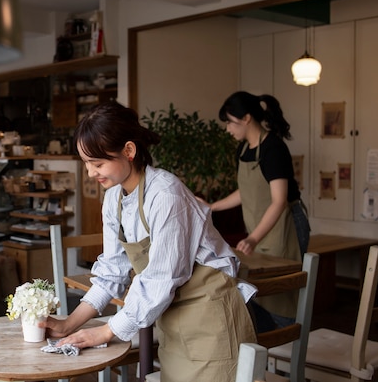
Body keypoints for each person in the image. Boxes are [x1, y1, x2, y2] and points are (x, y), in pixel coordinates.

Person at [41, 101, 257, 382]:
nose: (91, 173)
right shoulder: (113, 200)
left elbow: (161, 279)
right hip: (174, 324)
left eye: (98, 163)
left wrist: (106, 330)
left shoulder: (166, 194)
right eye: (86, 163)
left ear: (128, 151)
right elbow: (112, 272)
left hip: (211, 321)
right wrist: (68, 324)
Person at [207, 91, 310, 330]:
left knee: (283, 293)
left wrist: (253, 237)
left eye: (229, 122)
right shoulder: (243, 150)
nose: (227, 129)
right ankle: (265, 349)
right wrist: (213, 207)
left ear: (246, 118)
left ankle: (286, 345)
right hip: (262, 229)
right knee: (262, 292)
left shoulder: (273, 148)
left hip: (284, 228)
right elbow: (248, 191)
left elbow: (279, 200)